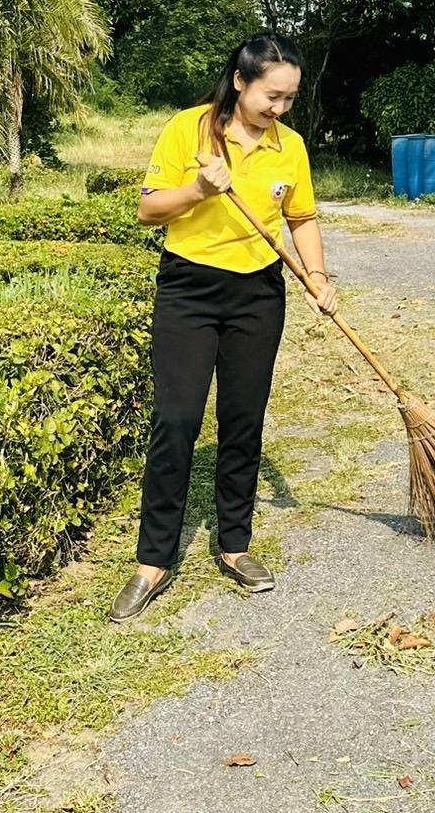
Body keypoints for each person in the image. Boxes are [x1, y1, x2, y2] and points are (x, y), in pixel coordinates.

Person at [109, 33, 339, 622]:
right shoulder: (189, 130)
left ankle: (234, 546)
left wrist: (316, 274)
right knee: (177, 418)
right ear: (240, 81)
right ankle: (153, 561)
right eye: (271, 96)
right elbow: (149, 210)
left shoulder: (290, 148)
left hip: (258, 292)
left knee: (243, 419)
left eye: (289, 99)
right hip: (189, 287)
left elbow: (301, 216)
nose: (279, 109)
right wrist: (198, 189)